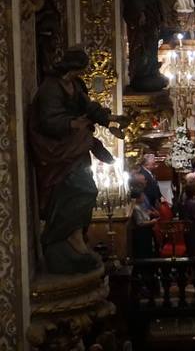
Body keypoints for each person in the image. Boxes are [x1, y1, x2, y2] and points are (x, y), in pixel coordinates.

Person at [27, 47, 123, 274]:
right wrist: (72, 124)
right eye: (80, 69)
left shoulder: (76, 85)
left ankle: (76, 235)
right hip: (58, 150)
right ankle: (61, 236)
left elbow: (88, 106)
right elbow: (48, 121)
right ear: (71, 67)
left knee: (85, 190)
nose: (82, 73)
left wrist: (110, 119)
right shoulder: (50, 88)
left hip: (76, 149)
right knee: (82, 190)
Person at [123, 0, 169, 92]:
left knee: (153, 42)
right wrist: (141, 13)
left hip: (153, 13)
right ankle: (142, 71)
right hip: (145, 14)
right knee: (144, 43)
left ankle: (151, 69)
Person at [129, 188, 158, 259]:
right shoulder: (136, 208)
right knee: (144, 253)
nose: (143, 198)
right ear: (137, 198)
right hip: (142, 233)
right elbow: (140, 223)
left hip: (145, 232)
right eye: (142, 196)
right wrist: (152, 222)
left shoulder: (139, 206)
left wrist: (148, 213)